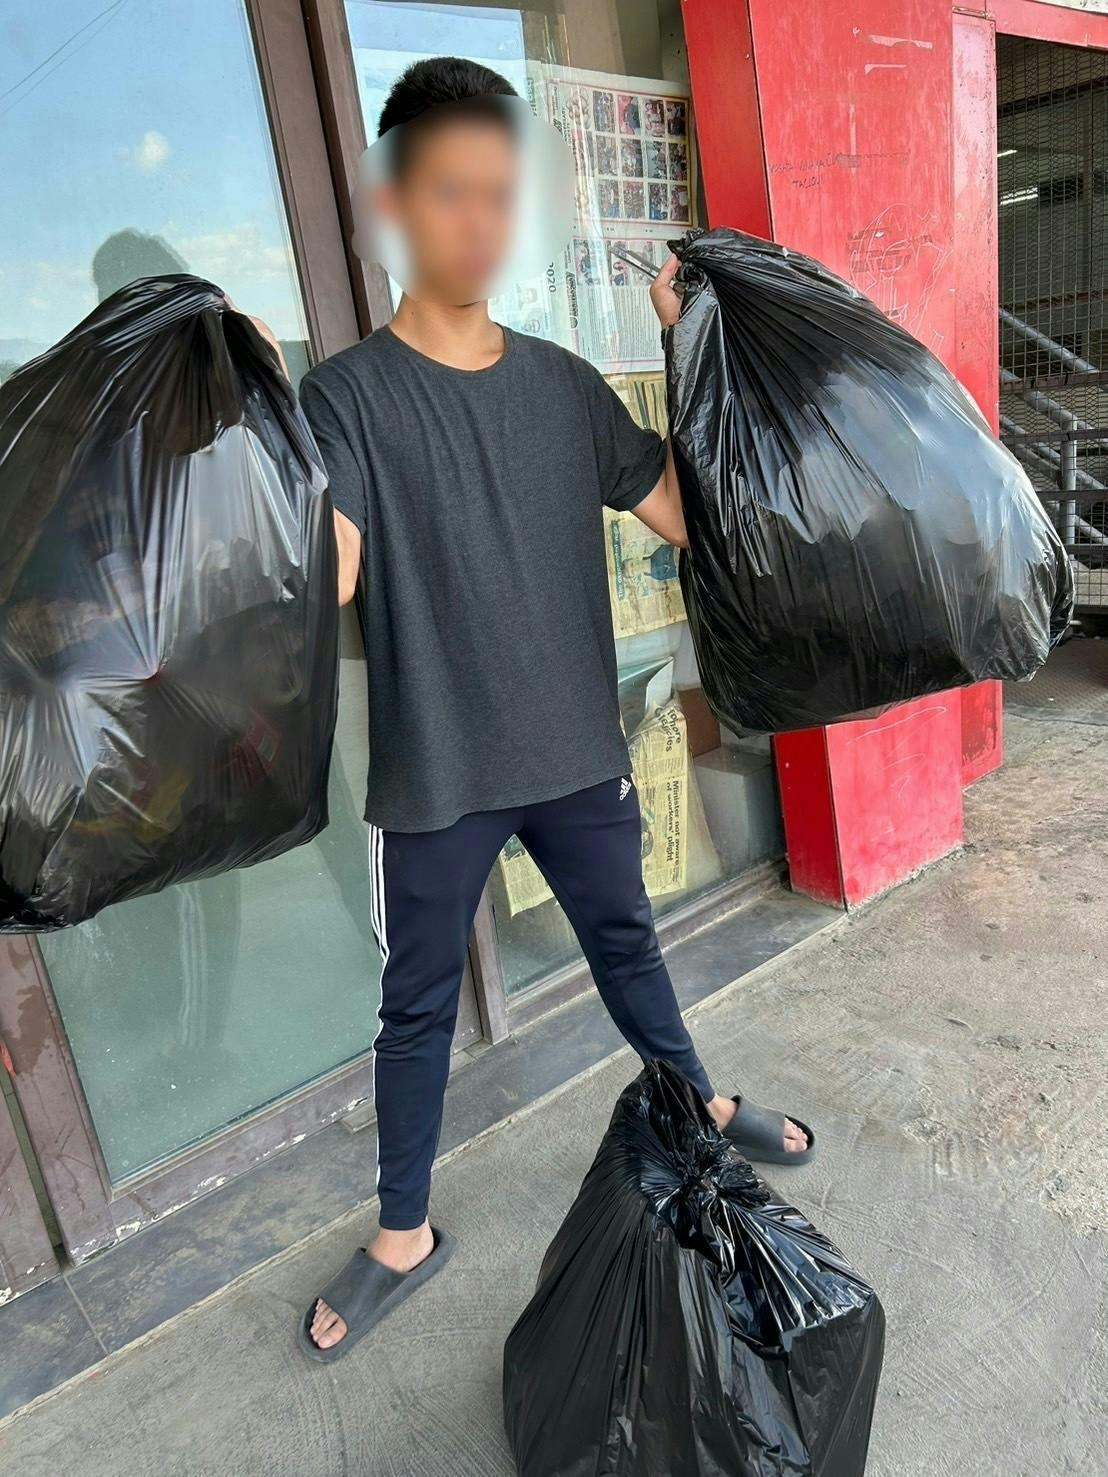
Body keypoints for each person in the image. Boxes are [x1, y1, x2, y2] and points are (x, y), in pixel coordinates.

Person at [250, 56, 815, 1362]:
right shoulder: (347, 398)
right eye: (449, 190)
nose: (479, 222)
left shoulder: (563, 385)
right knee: (415, 1009)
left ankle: (698, 1103)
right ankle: (403, 1233)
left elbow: (687, 514)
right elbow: (329, 576)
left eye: (499, 193)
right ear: (396, 202)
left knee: (630, 949)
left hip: (572, 750)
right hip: (438, 771)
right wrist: (249, 433)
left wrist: (695, 343)